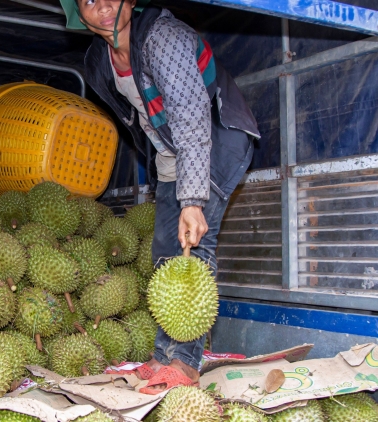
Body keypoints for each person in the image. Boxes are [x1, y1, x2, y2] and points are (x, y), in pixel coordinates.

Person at [59, 0, 260, 393]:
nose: (100, 5)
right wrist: (172, 185)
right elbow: (148, 125)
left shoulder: (162, 38)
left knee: (194, 246)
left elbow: (190, 117)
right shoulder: (101, 61)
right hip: (172, 150)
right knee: (165, 251)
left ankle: (184, 364)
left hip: (215, 136)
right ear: (78, 14)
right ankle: (164, 355)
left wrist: (192, 202)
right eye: (86, 0)